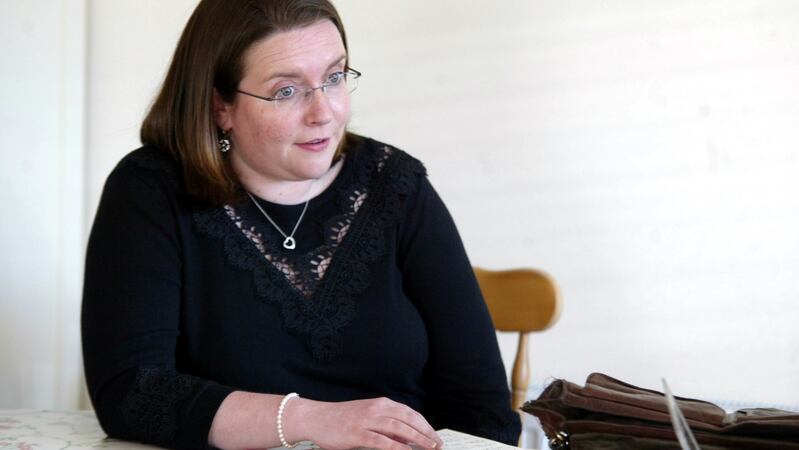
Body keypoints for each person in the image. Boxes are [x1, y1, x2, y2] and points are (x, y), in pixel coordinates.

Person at [81, 1, 521, 449]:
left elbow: (481, 408)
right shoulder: (150, 191)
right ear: (220, 107)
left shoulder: (397, 186)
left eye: (334, 77)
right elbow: (132, 394)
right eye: (286, 91)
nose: (324, 113)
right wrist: (307, 419)